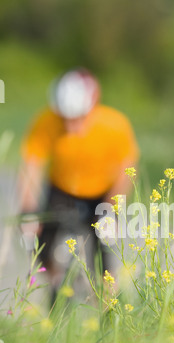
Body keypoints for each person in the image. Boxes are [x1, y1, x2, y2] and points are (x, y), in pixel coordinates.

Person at [18, 68, 139, 292]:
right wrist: (28, 211)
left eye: (78, 118)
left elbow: (127, 169)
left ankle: (107, 301)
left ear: (92, 106)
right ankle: (56, 282)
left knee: (105, 251)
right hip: (62, 190)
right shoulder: (46, 122)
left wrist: (110, 209)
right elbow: (31, 166)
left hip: (102, 194)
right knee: (39, 244)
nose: (71, 127)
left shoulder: (114, 125)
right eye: (65, 118)